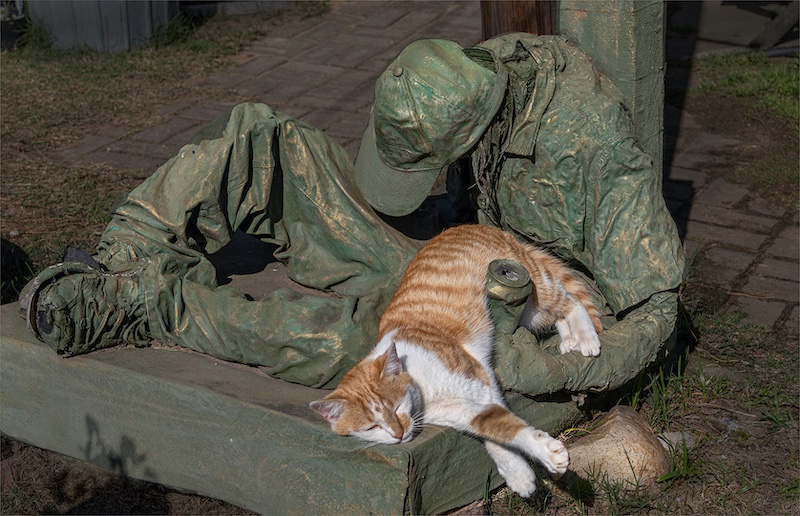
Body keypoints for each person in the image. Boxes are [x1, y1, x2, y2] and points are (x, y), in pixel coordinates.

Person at [20, 34, 684, 396]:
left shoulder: (594, 145)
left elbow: (658, 308)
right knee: (264, 139)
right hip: (453, 242)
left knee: (369, 343)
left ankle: (149, 307)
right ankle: (118, 261)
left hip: (531, 303)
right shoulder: (482, 71)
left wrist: (554, 371)